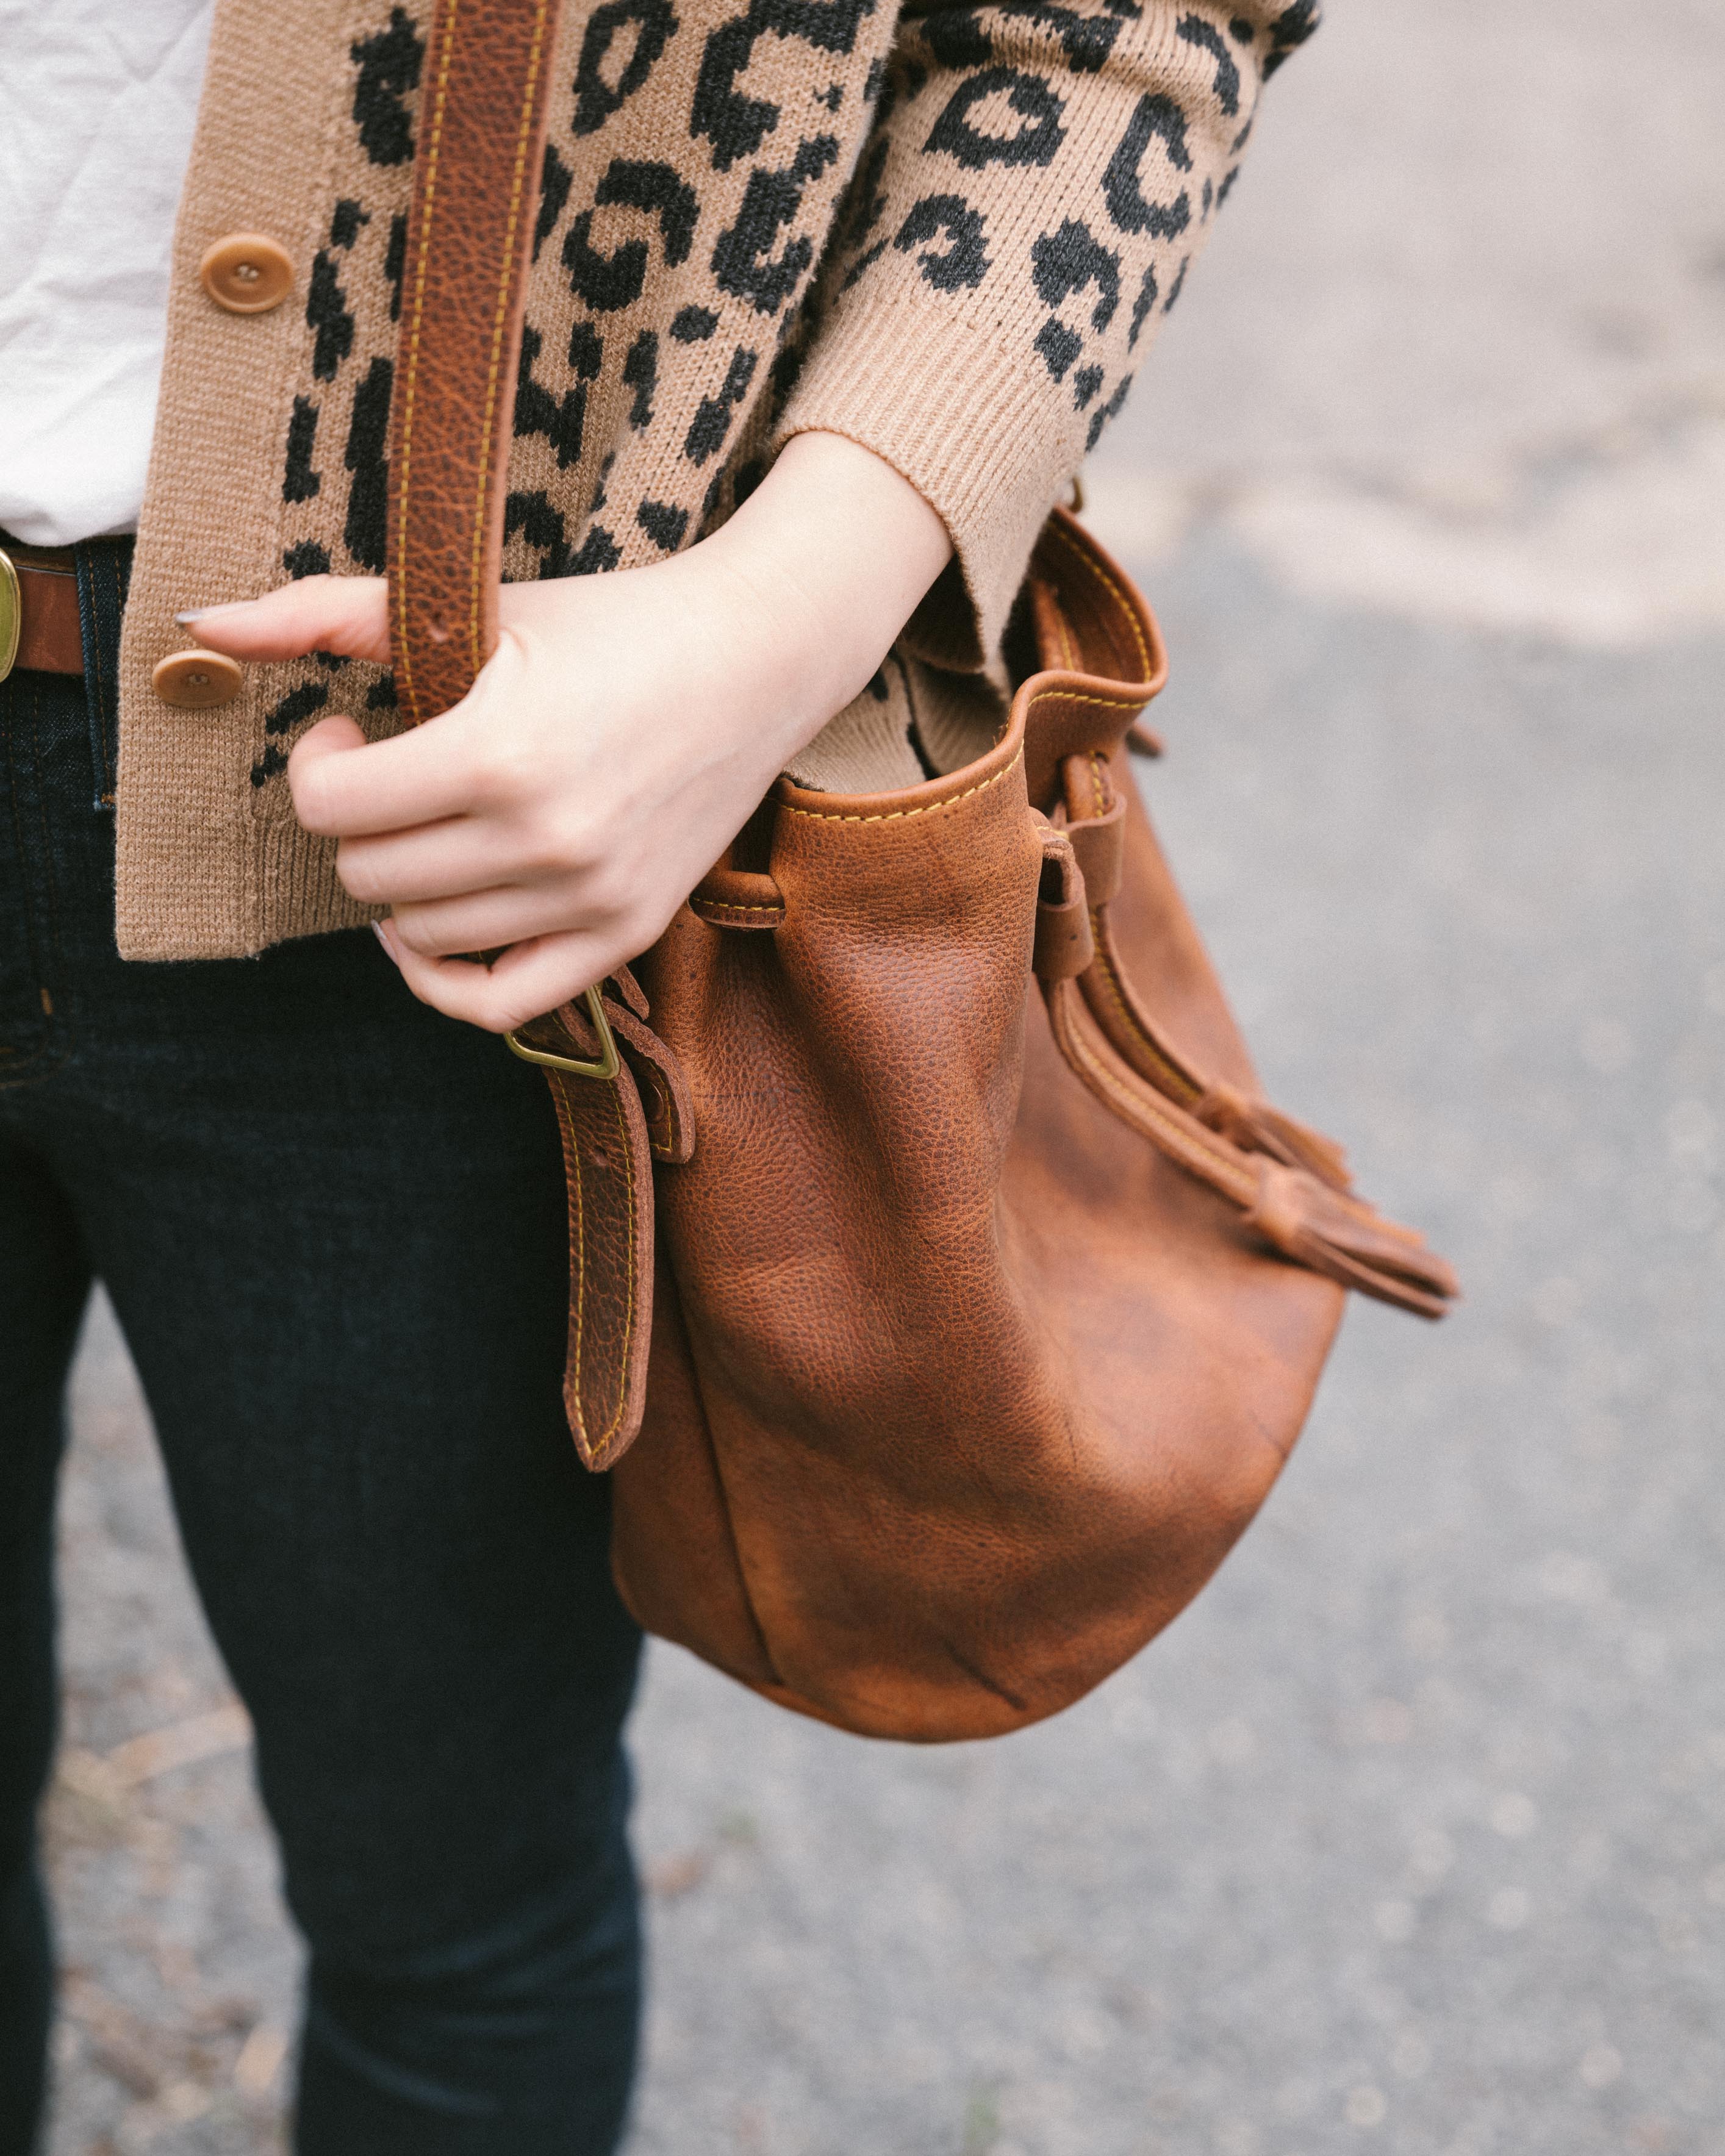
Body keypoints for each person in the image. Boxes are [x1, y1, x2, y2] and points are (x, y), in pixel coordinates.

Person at [0, 0, 1320, 2145]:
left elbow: (1129, 38)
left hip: (453, 823)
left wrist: (764, 633)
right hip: (465, 813)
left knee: (453, 1899)